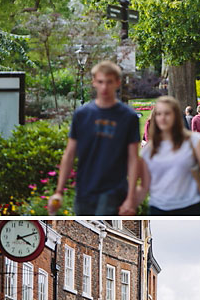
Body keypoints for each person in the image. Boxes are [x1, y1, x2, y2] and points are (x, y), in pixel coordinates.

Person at [48, 61, 140, 216]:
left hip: (114, 189)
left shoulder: (128, 117)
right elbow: (69, 154)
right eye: (101, 82)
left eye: (109, 82)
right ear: (94, 82)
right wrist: (59, 191)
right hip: (85, 188)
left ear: (117, 83)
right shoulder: (82, 115)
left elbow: (133, 158)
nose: (104, 87)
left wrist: (130, 199)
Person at [137, 96, 200, 216]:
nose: (163, 118)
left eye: (167, 113)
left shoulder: (195, 141)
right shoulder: (149, 149)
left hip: (189, 205)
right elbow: (145, 184)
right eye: (159, 114)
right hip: (159, 207)